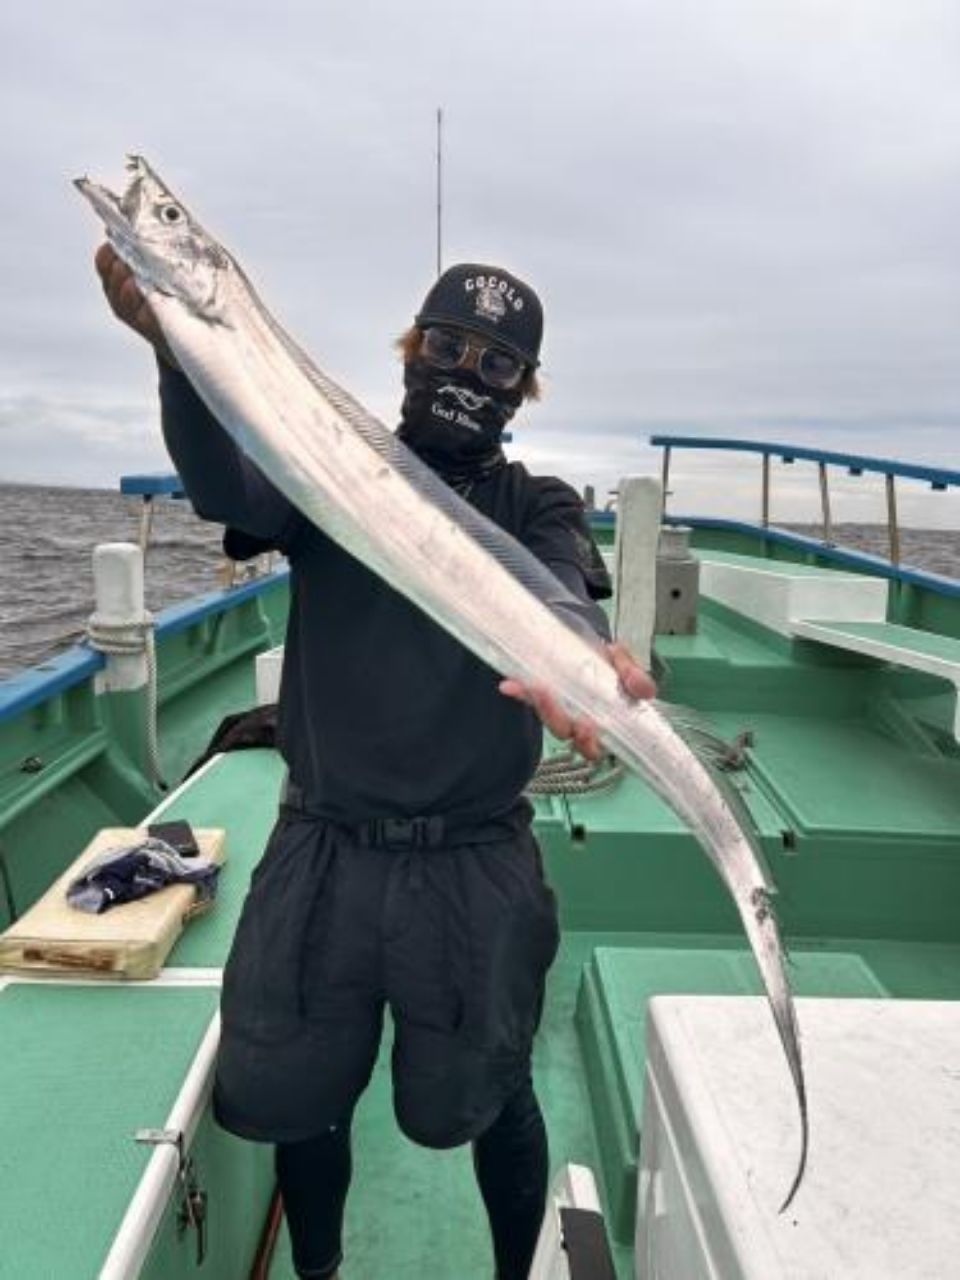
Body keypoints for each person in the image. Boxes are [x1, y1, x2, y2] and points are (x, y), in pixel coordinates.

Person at [95, 247, 655, 1280]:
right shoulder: (333, 470)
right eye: (445, 345)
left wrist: (578, 657)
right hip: (325, 845)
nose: (463, 373)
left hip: (474, 857)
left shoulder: (539, 502)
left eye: (495, 363)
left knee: (489, 1092)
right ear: (409, 349)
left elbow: (564, 591)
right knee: (300, 1093)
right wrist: (176, 357)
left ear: (523, 390)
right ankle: (318, 1272)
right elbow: (225, 484)